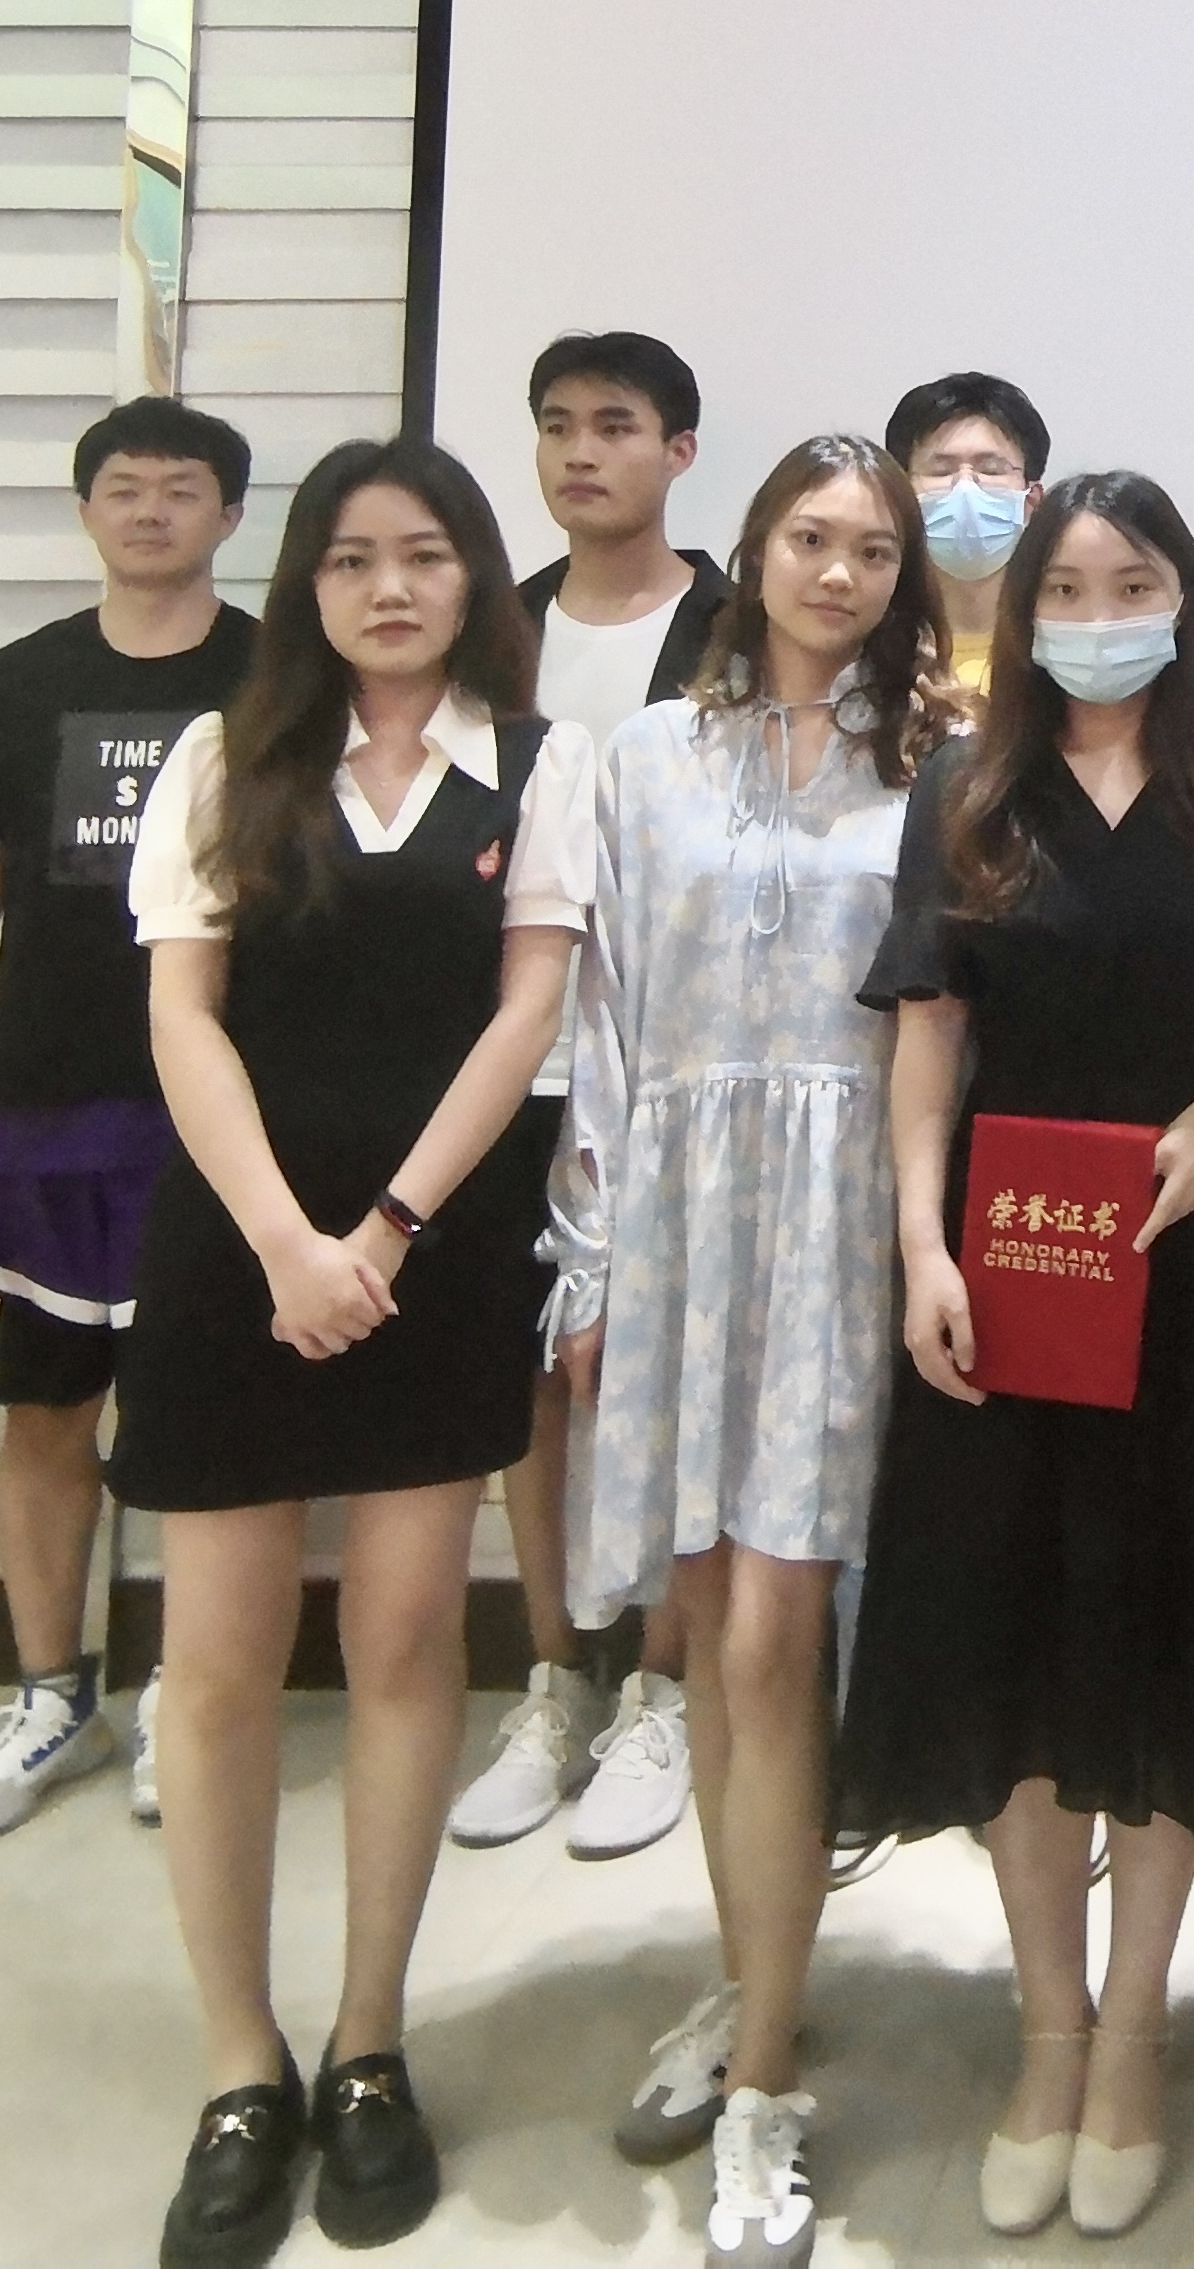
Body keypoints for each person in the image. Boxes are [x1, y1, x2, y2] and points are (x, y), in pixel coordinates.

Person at [116, 437, 593, 2266]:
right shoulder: (220, 758)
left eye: (424, 556)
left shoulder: (537, 768)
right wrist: (282, 1242)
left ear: (474, 577)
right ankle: (240, 2062)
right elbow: (183, 1015)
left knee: (404, 1644)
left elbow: (527, 1011)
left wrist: (382, 1233)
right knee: (220, 1665)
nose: (388, 589)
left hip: (435, 1251)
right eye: (348, 559)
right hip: (237, 1252)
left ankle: (370, 2039)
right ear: (305, 584)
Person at [836, 472, 1194, 2242]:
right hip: (1009, 1259)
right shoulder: (964, 789)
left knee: (1168, 1627)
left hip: (1181, 1259)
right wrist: (920, 1248)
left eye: (1134, 584)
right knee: (1017, 1631)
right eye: (1069, 587)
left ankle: (1134, 2030)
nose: (1101, 614)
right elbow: (928, 1034)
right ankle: (1047, 2029)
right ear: (1023, 609)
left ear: (1185, 603)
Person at [553, 437, 944, 2265]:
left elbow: (945, 1023)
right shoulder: (645, 757)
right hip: (683, 1213)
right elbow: (603, 1017)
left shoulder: (933, 764)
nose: (838, 573)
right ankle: (747, 1973)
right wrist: (591, 1257)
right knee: (708, 1631)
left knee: (783, 1628)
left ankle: (769, 2082)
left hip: (842, 1212)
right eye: (810, 536)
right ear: (757, 548)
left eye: (873, 549)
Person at [0, 398, 261, 1842]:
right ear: (87, 510)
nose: (151, 510)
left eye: (182, 489)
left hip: (219, 1117)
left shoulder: (280, 677)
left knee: (203, 1419)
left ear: (231, 515)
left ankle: (191, 1695)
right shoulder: (17, 682)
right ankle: (55, 1697)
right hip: (39, 1109)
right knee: (46, 1414)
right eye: (124, 487)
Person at [454, 330, 734, 1860]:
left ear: (678, 450)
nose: (581, 452)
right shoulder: (488, 632)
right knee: (532, 1387)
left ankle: (663, 1692)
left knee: (661, 1370)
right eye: (556, 424)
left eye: (616, 426)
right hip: (516, 1055)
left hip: (682, 1064)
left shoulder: (738, 629)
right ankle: (555, 1677)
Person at [890, 370, 1050, 709]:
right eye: (941, 470)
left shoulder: (1061, 647)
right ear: (900, 497)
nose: (965, 487)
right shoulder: (875, 645)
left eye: (990, 469)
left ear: (1032, 501)